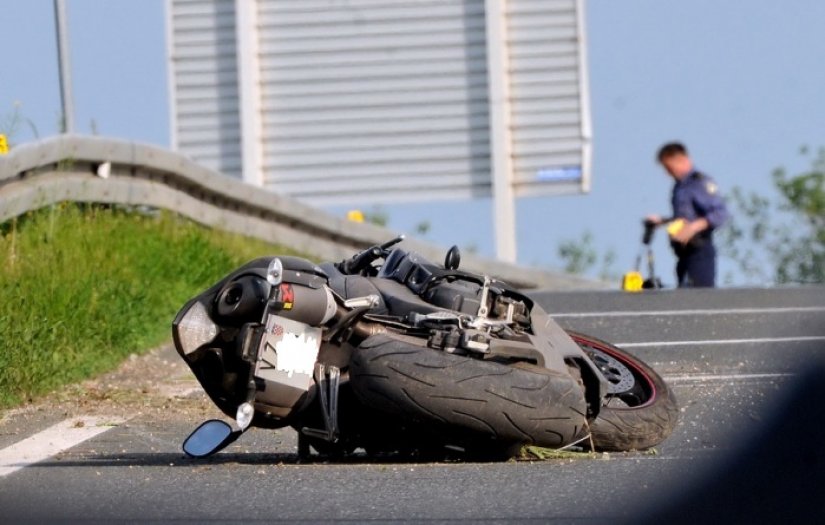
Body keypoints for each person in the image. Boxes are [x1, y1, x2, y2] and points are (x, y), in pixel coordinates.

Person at [646, 142, 729, 287]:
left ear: (683, 160)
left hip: (699, 251)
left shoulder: (699, 182)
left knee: (699, 300)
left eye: (669, 168)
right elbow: (685, 218)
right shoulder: (680, 186)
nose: (667, 173)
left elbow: (720, 213)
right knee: (683, 300)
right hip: (683, 254)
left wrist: (693, 228)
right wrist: (662, 221)